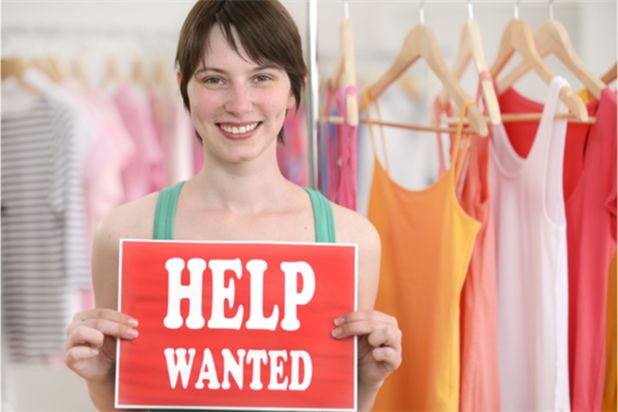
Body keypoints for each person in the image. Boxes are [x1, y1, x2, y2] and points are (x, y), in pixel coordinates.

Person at [64, 0, 402, 410]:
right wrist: (101, 383)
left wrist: (366, 384)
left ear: (295, 88)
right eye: (214, 80)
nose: (240, 104)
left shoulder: (353, 241)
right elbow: (131, 400)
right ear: (183, 85)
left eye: (261, 77)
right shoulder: (124, 233)